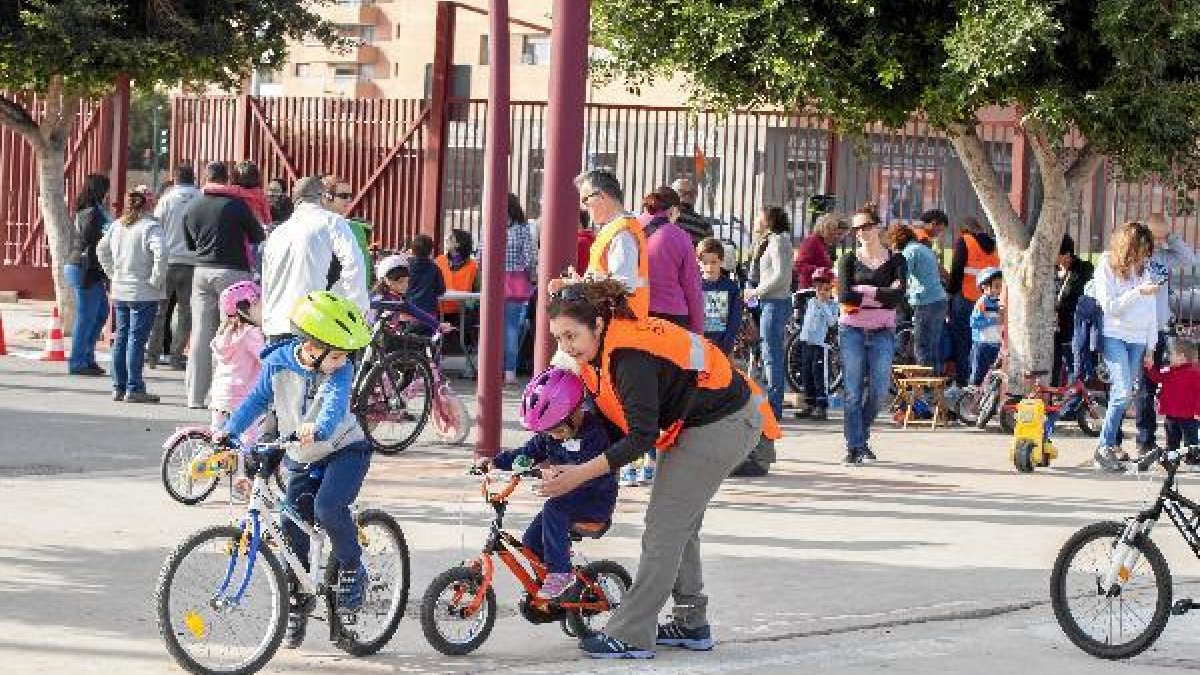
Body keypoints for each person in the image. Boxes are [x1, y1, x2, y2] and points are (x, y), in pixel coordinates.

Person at [539, 278, 779, 658]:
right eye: (558, 338)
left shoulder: (629, 356)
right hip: (700, 420)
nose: (565, 347)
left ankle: (631, 634)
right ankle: (691, 623)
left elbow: (640, 438)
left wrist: (581, 474)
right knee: (679, 523)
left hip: (725, 423)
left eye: (572, 336)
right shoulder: (595, 354)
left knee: (664, 529)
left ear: (598, 325)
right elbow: (611, 427)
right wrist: (561, 461)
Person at [219, 291, 374, 648]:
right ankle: (298, 597)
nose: (340, 362)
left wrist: (316, 425)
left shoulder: (340, 369)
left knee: (327, 508)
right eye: (334, 355)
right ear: (310, 346)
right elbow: (257, 400)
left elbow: (335, 404)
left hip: (345, 449)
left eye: (342, 356)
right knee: (291, 524)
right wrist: (227, 432)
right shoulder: (277, 363)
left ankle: (352, 566)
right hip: (302, 455)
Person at [477, 368, 618, 599]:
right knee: (530, 542)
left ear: (576, 414)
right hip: (566, 502)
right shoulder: (549, 435)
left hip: (595, 501)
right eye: (547, 432)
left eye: (558, 430)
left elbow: (603, 473)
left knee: (554, 508)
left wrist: (577, 473)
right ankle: (559, 591)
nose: (553, 436)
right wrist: (494, 462)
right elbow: (526, 454)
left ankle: (560, 573)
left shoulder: (595, 435)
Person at [183, 161, 267, 408]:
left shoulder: (193, 206)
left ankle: (195, 397)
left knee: (200, 333)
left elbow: (189, 244)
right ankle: (220, 397)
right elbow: (257, 237)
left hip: (201, 272)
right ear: (227, 179)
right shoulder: (235, 205)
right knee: (230, 335)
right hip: (233, 273)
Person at [837, 203, 908, 465]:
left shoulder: (896, 260)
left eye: (866, 226)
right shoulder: (847, 260)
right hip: (851, 330)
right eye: (856, 228)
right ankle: (855, 446)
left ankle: (860, 435)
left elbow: (898, 298)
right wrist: (881, 293)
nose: (861, 232)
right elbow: (844, 295)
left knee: (879, 391)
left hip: (882, 331)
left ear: (877, 226)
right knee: (853, 392)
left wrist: (863, 291)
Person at [260, 176, 369, 343]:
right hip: (313, 321)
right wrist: (358, 309)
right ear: (324, 197)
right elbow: (353, 264)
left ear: (295, 200)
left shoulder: (277, 233)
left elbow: (266, 281)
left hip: (277, 323)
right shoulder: (332, 221)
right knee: (334, 367)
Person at [1092, 221, 1159, 472]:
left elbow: (1151, 311)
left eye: (1147, 249)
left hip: (1139, 339)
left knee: (1125, 394)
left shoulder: (1145, 270)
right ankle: (1104, 447)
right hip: (1115, 335)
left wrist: (1151, 346)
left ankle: (1109, 447)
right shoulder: (1107, 265)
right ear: (1127, 246)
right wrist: (1138, 292)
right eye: (1141, 248)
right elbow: (1110, 306)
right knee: (1122, 393)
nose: (1145, 254)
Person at [1136, 213, 1198, 455]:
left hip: (1162, 329)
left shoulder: (1164, 256)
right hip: (1140, 331)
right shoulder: (1137, 258)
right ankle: (1145, 439)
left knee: (1163, 383)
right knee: (1144, 386)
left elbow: (1190, 258)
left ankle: (1170, 441)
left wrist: (1169, 236)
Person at [96, 188, 165, 403]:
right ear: (149, 204)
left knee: (121, 337)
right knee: (136, 340)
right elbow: (161, 254)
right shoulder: (150, 227)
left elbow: (101, 250)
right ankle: (134, 387)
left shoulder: (118, 225)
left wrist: (112, 273)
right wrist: (156, 279)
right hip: (143, 292)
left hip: (120, 289)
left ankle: (119, 385)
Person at [556, 170, 649, 321]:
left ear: (601, 196)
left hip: (619, 326)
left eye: (585, 200)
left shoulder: (622, 233)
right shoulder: (616, 229)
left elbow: (621, 286)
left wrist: (581, 287)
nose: (583, 207)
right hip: (614, 323)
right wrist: (579, 284)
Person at [146, 165, 200, 371]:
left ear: (174, 179)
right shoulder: (200, 198)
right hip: (192, 262)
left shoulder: (167, 199)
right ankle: (177, 356)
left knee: (160, 310)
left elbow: (155, 225)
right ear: (193, 178)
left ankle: (153, 354)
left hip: (168, 261)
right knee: (185, 311)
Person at [744, 206, 794, 420]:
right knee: (767, 353)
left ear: (769, 220)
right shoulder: (769, 240)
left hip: (774, 302)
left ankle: (774, 408)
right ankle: (771, 404)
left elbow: (781, 276)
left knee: (771, 355)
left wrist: (755, 291)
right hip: (766, 302)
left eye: (759, 216)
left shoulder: (778, 241)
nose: (755, 219)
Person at [637, 187, 705, 333]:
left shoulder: (631, 228)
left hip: (636, 313)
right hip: (672, 317)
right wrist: (698, 329)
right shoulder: (680, 236)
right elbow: (692, 287)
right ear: (673, 210)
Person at [65, 173, 112, 377]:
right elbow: (93, 244)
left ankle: (87, 356)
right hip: (85, 268)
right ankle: (78, 361)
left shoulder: (95, 210)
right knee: (86, 316)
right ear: (101, 190)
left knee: (101, 312)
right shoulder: (92, 213)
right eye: (106, 189)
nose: (109, 194)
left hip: (88, 268)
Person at [210, 281, 265, 446]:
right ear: (246, 309)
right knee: (249, 436)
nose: (262, 311)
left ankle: (212, 466)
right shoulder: (251, 333)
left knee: (218, 436)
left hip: (221, 393)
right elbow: (265, 357)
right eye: (259, 306)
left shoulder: (225, 332)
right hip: (242, 394)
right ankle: (244, 469)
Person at [947, 216, 999, 386]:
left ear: (965, 230)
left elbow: (956, 270)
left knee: (962, 340)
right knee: (981, 340)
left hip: (965, 296)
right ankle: (981, 381)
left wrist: (950, 292)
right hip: (987, 298)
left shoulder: (966, 241)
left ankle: (964, 381)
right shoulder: (994, 245)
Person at [894, 223, 949, 373]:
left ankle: (925, 388)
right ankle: (935, 384)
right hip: (939, 299)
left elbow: (902, 275)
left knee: (922, 346)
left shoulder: (910, 252)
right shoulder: (924, 249)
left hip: (925, 301)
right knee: (933, 344)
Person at [370, 254, 451, 351]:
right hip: (384, 343)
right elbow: (416, 312)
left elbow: (415, 312)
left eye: (407, 281)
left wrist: (437, 325)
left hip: (382, 342)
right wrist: (438, 325)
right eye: (400, 282)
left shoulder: (385, 297)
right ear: (386, 280)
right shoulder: (390, 301)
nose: (405, 285)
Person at [1144, 339, 1200, 464]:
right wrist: (1149, 368)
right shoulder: (1169, 371)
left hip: (1189, 416)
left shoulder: (1195, 373)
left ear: (1182, 357)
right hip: (1171, 415)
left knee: (1190, 440)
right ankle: (1171, 459)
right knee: (1171, 440)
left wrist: (1197, 411)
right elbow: (1157, 377)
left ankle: (1192, 459)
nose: (1168, 357)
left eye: (1171, 354)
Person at [501, 194, 536, 384]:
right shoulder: (522, 230)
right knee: (511, 329)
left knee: (491, 328)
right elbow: (530, 258)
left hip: (494, 282)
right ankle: (510, 371)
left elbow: (481, 257)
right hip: (515, 283)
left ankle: (489, 366)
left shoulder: (489, 226)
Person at [795, 267, 839, 420]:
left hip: (821, 345)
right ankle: (809, 403)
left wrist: (824, 305)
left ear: (831, 289)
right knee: (807, 374)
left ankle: (821, 406)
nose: (821, 292)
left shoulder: (832, 305)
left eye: (826, 289)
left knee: (819, 374)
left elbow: (832, 322)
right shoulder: (811, 302)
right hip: (807, 342)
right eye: (818, 288)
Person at [1053, 235, 1093, 385]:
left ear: (1067, 255)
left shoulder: (1084, 270)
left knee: (1074, 366)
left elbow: (1082, 298)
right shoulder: (1050, 271)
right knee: (1054, 365)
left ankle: (1074, 396)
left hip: (1074, 326)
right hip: (1054, 328)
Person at [321, 175, 374, 285]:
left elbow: (361, 268)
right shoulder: (314, 226)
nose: (349, 200)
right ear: (327, 196)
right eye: (343, 196)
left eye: (350, 196)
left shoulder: (354, 228)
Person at [698, 237, 742, 354]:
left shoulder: (731, 287)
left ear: (721, 261)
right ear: (698, 262)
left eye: (713, 262)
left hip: (721, 346)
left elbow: (735, 319)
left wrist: (727, 344)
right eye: (705, 262)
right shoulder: (693, 286)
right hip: (698, 344)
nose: (709, 267)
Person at [968, 268, 1004, 386]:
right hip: (983, 344)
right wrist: (993, 320)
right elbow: (974, 323)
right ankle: (973, 397)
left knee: (993, 376)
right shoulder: (982, 302)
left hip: (996, 343)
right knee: (979, 373)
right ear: (985, 287)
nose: (1000, 290)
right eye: (996, 286)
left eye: (1001, 286)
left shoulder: (999, 302)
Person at [793, 213, 843, 289]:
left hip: (820, 290)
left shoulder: (822, 243)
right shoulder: (811, 241)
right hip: (809, 289)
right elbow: (799, 265)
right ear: (826, 229)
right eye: (836, 232)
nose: (838, 236)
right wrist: (822, 270)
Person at [670, 177, 714, 245]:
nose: (687, 196)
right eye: (682, 192)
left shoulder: (703, 224)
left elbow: (709, 249)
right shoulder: (664, 217)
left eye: (690, 193)